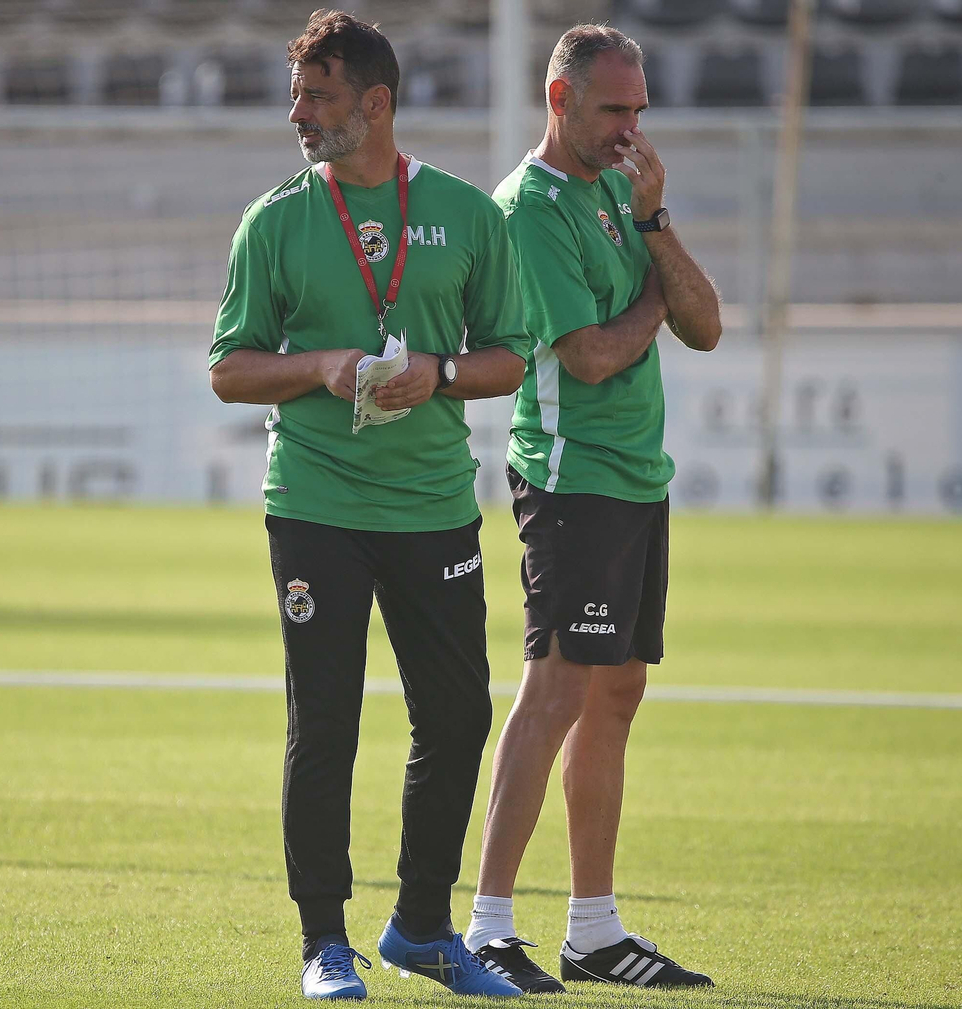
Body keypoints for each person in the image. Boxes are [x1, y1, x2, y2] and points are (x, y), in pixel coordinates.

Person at [208, 9, 530, 1001]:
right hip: (315, 502)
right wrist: (318, 365)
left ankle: (424, 928)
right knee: (327, 721)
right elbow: (228, 369)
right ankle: (322, 942)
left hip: (433, 503)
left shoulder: (468, 213)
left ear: (375, 104)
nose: (296, 112)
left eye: (318, 95)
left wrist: (434, 373)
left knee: (458, 712)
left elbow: (509, 356)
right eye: (297, 93)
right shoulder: (276, 219)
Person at [462, 24, 724, 994]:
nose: (630, 129)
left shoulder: (627, 189)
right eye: (614, 109)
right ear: (559, 99)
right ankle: (487, 924)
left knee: (615, 693)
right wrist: (656, 289)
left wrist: (657, 230)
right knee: (556, 688)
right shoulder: (526, 209)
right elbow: (590, 355)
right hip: (570, 477)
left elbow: (707, 323)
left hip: (634, 476)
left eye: (639, 111)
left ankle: (594, 930)